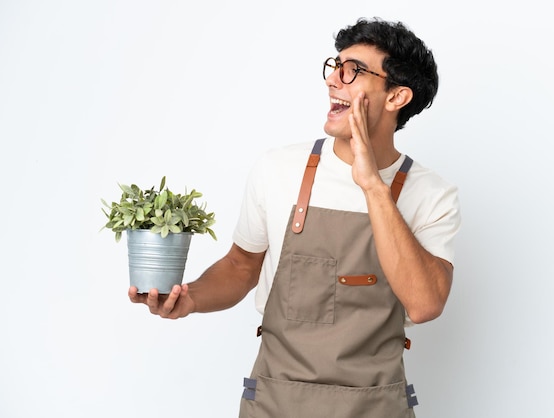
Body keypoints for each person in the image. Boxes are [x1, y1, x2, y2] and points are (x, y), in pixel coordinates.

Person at [129, 17, 461, 418]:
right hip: (275, 403)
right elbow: (241, 265)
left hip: (375, 407)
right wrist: (190, 300)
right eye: (335, 66)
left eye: (353, 71)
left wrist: (373, 185)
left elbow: (425, 304)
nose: (333, 80)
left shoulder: (432, 195)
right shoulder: (278, 169)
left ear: (396, 97)